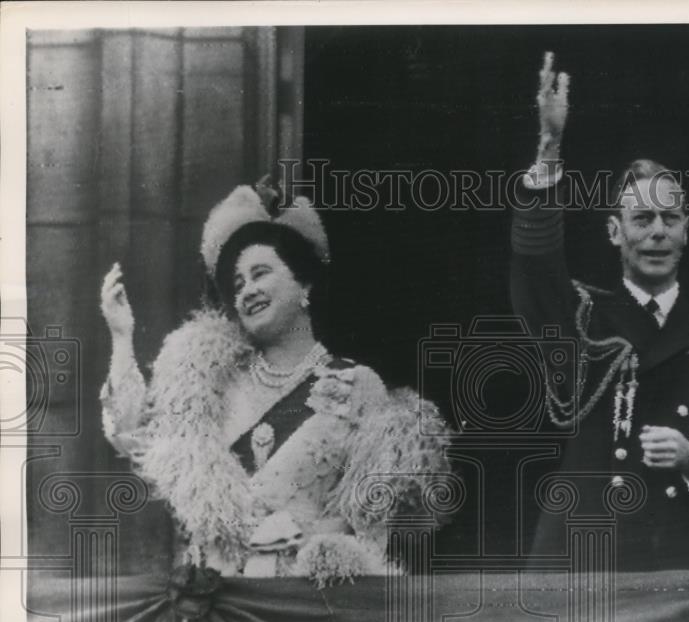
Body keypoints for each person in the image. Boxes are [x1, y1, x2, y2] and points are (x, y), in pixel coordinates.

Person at [99, 179, 451, 583]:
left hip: (304, 605)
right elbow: (133, 440)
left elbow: (366, 522)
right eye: (238, 283)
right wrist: (122, 337)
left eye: (260, 273)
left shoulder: (356, 384)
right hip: (215, 601)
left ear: (303, 284)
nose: (248, 290)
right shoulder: (212, 387)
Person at [511, 53, 689, 570]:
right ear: (615, 231)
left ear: (685, 231)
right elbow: (534, 269)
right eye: (642, 218)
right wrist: (548, 150)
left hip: (681, 575)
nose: (657, 231)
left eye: (670, 218)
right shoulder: (581, 318)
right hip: (581, 565)